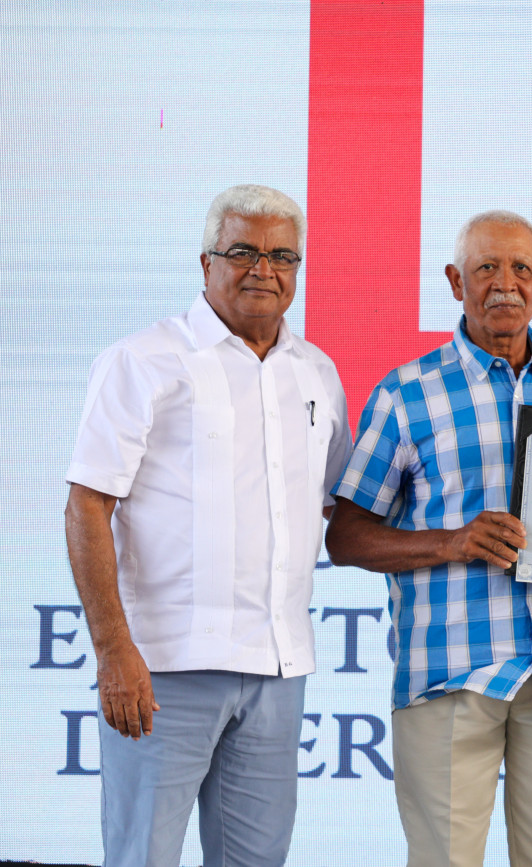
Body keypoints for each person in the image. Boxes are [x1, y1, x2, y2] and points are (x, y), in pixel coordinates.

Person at [325, 210, 532, 867]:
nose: (505, 283)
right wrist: (451, 542)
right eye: (486, 268)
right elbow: (346, 537)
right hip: (451, 670)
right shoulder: (405, 395)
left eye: (520, 269)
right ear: (456, 282)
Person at [64, 184, 352, 867]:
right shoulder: (144, 361)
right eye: (243, 251)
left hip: (278, 669)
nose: (264, 269)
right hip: (162, 669)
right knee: (143, 857)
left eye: (282, 255)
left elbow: (337, 506)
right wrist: (113, 650)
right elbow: (86, 506)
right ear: (206, 263)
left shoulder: (318, 373)